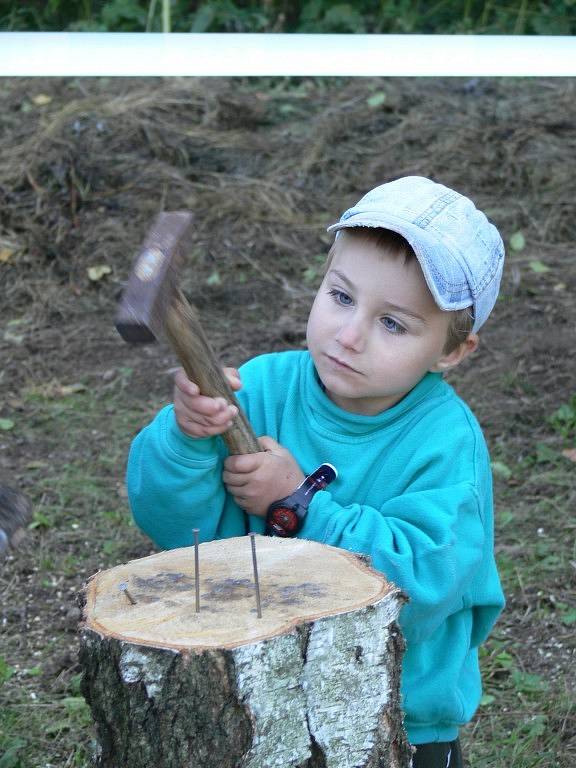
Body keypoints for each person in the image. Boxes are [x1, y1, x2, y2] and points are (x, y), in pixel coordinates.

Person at [127, 176, 505, 767]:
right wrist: (187, 441)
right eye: (341, 296)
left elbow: (424, 587)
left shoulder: (444, 442)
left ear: (451, 351)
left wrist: (299, 504)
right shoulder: (263, 388)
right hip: (254, 698)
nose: (349, 336)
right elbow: (174, 529)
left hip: (399, 719)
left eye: (393, 324)